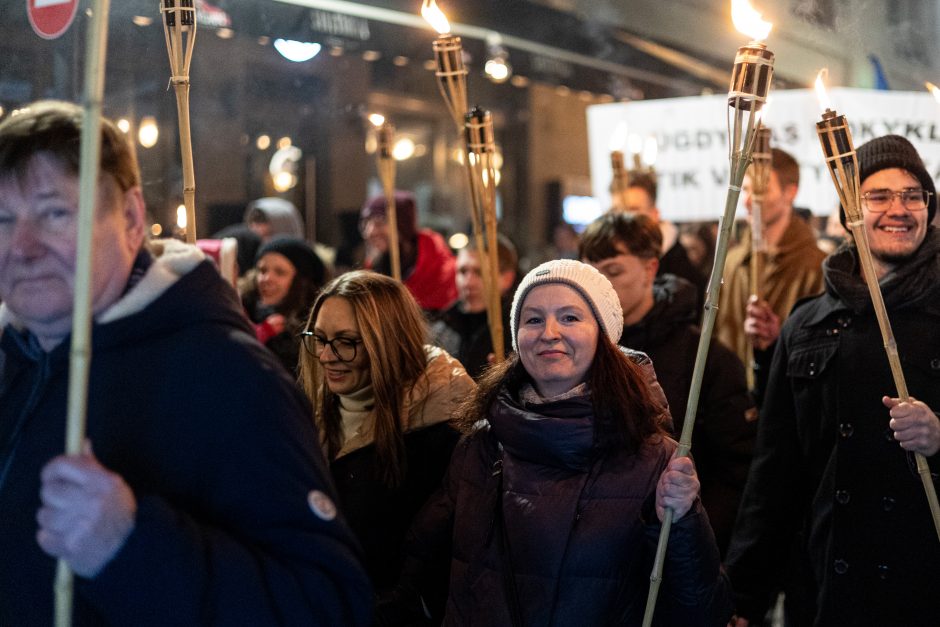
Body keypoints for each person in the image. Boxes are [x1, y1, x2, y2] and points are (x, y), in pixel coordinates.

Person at [0, 101, 371, 625]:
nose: (23, 246)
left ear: (130, 218)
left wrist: (129, 547)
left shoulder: (226, 376)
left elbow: (328, 604)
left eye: (55, 213)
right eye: (3, 218)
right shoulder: (13, 360)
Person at [388, 260, 732, 626]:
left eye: (570, 318)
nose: (549, 332)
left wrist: (682, 521)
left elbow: (701, 608)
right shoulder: (481, 445)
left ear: (603, 334)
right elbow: (421, 566)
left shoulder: (652, 458)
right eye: (533, 319)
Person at [726, 135, 940, 627]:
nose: (898, 209)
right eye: (879, 196)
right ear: (850, 211)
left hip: (925, 583)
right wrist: (743, 595)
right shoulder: (807, 325)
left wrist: (938, 436)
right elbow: (775, 475)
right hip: (828, 583)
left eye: (913, 195)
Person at [580, 211, 755, 557]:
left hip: (671, 547)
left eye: (613, 272)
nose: (601, 286)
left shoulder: (702, 356)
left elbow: (735, 472)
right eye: (590, 274)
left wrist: (698, 544)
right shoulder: (577, 352)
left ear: (650, 268)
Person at [298, 270, 475, 600]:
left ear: (388, 341)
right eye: (319, 339)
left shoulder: (441, 428)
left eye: (347, 342)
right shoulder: (309, 415)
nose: (325, 356)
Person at [716, 148, 826, 405]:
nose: (747, 200)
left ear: (790, 192)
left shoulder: (816, 267)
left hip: (789, 403)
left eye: (760, 190)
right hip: (732, 405)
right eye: (745, 190)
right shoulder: (729, 262)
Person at [430, 235, 518, 379]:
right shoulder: (441, 328)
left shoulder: (518, 334)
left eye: (479, 272)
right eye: (463, 271)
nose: (468, 282)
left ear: (507, 278)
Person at [619, 172, 708, 308]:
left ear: (654, 214)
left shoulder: (682, 274)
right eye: (619, 210)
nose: (623, 219)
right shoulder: (608, 260)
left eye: (634, 210)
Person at [360, 191, 457, 314]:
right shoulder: (374, 267)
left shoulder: (440, 267)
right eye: (365, 223)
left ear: (402, 226)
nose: (369, 232)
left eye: (380, 223)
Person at [241, 236, 326, 375]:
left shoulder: (311, 328)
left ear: (300, 281)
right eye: (262, 270)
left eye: (280, 272)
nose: (266, 279)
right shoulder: (245, 313)